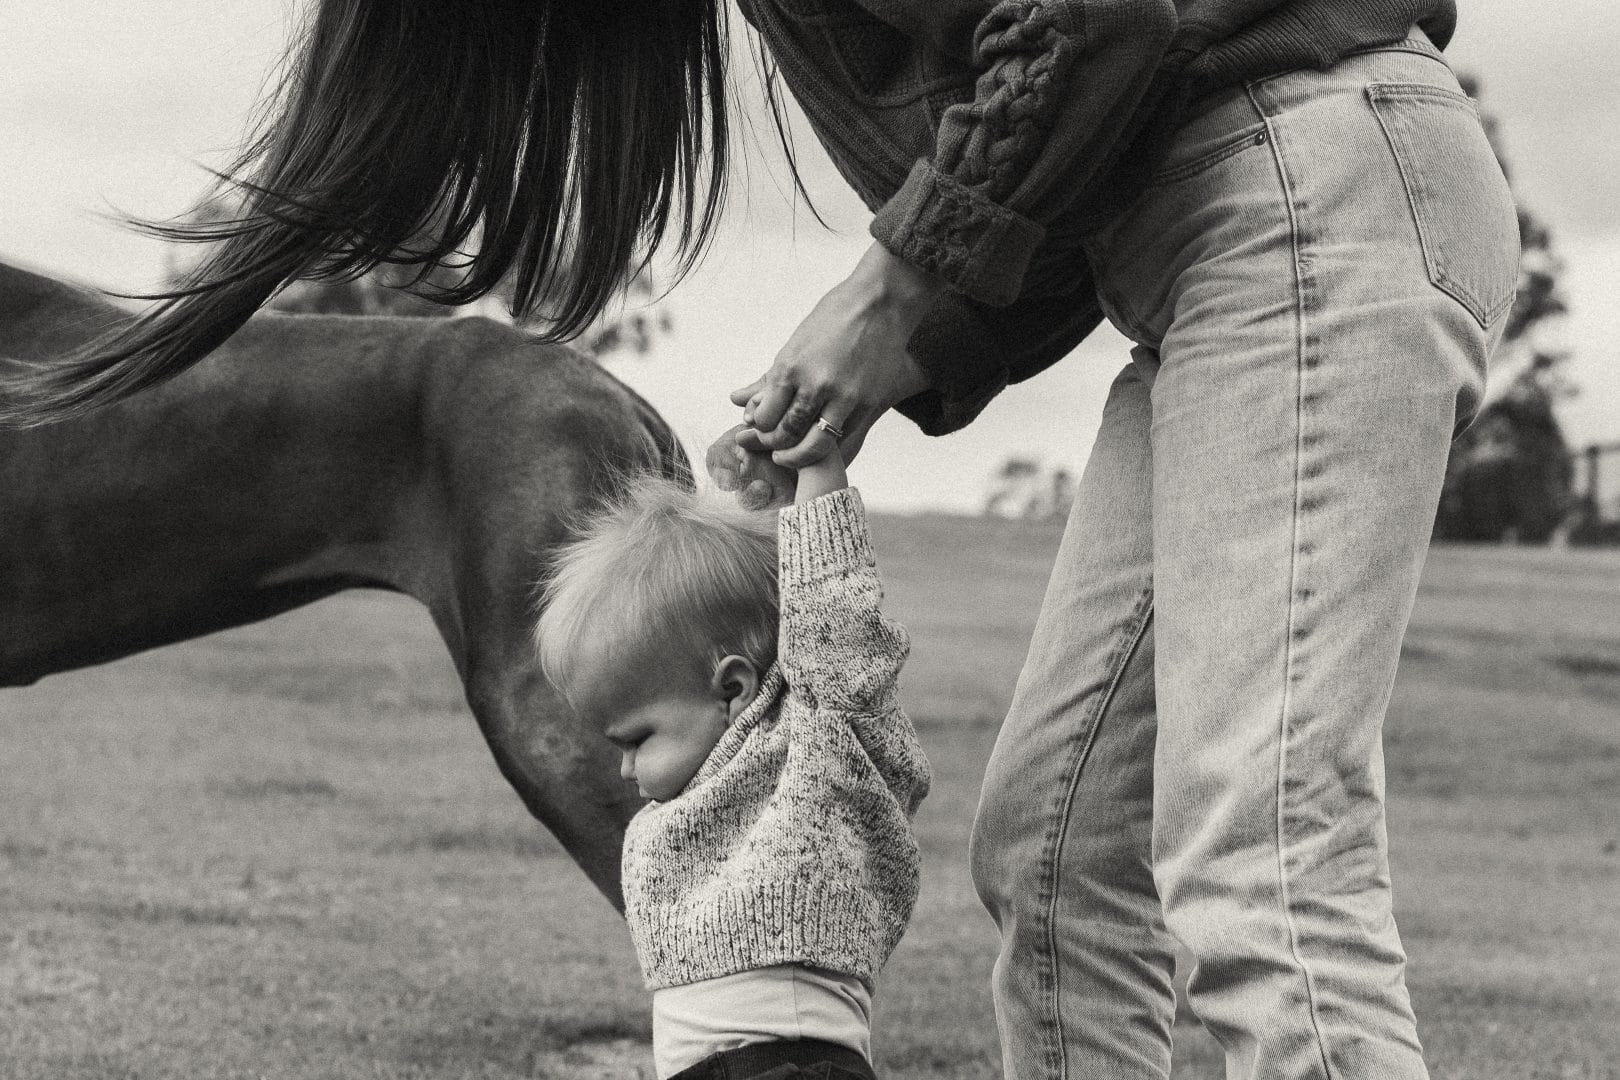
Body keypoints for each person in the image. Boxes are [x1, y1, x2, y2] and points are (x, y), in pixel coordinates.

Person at [2, 2, 1520, 1077]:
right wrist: (880, 368)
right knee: (1055, 855)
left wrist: (887, 296)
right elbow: (1073, 155)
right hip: (1203, 254)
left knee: (1256, 860)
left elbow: (1097, 20)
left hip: (1314, 196)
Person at [534, 450, 929, 1079]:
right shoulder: (695, 798)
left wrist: (818, 472)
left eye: (637, 738)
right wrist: (775, 495)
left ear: (732, 690)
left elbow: (834, 626)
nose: (624, 769)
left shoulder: (813, 761)